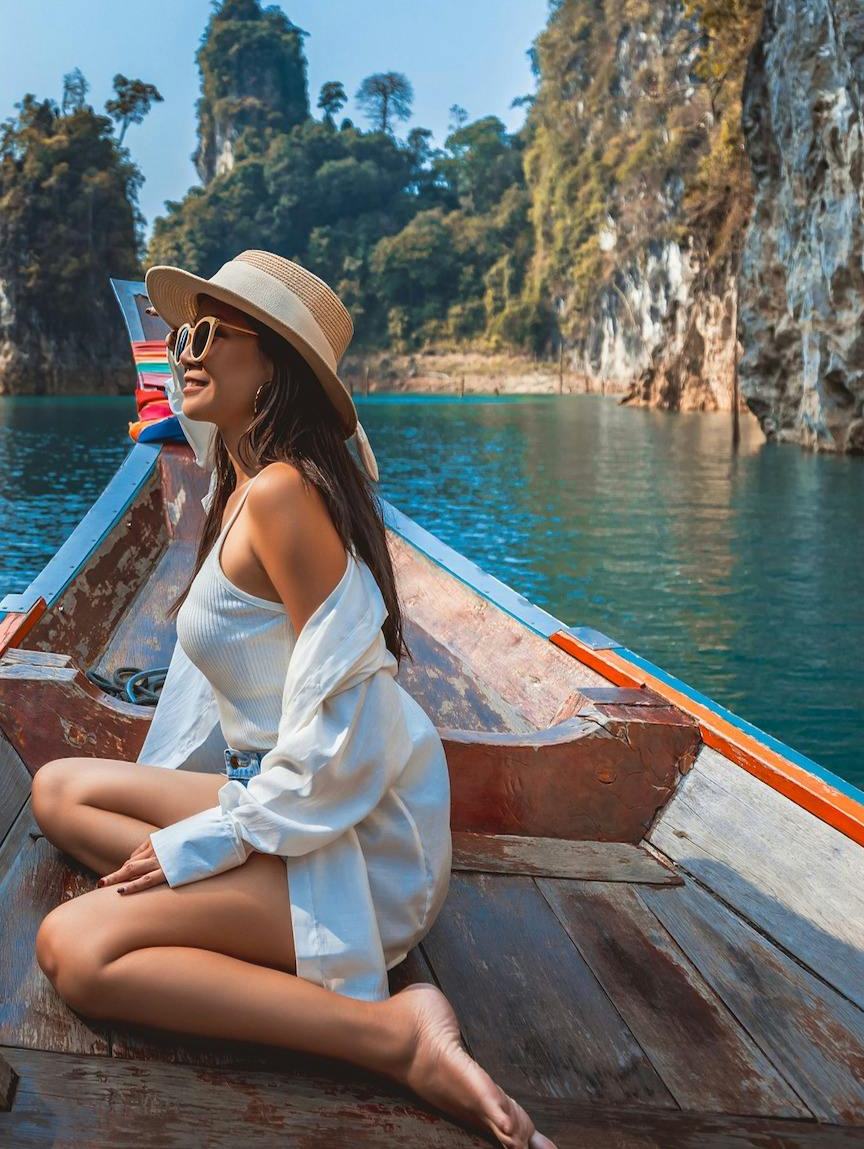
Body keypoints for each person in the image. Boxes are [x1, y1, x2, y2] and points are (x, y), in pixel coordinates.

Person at [32, 250, 553, 1148]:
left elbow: (346, 719)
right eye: (178, 334)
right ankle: (240, 904)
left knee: (76, 949)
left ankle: (392, 1036)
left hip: (353, 833)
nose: (178, 351)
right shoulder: (242, 482)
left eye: (206, 333)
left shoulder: (280, 495)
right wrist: (213, 837)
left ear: (273, 361)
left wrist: (215, 840)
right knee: (61, 792)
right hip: (281, 791)